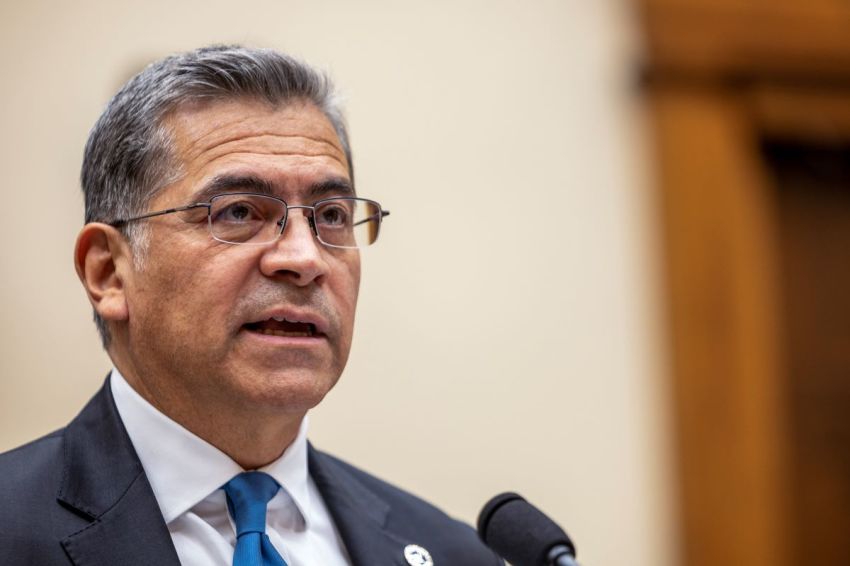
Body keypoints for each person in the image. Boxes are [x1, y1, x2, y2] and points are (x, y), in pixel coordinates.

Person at [0, 45, 501, 566]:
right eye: (239, 211)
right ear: (108, 272)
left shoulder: (457, 553)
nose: (305, 258)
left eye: (330, 215)